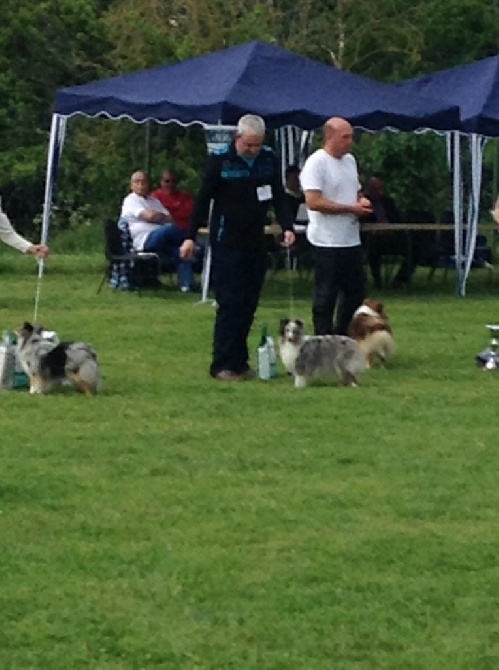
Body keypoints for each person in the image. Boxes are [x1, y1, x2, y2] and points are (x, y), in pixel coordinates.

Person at [180, 114, 295, 381]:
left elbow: (278, 194)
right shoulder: (220, 160)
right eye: (249, 145)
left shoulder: (268, 158)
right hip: (226, 240)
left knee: (249, 303)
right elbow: (203, 199)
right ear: (238, 138)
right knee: (230, 302)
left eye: (257, 145)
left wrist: (287, 226)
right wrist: (189, 236)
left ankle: (240, 362)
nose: (253, 151)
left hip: (256, 239)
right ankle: (222, 364)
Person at [299, 117, 372, 336]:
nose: (350, 142)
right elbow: (313, 201)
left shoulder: (350, 161)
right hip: (326, 240)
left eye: (351, 137)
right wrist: (351, 209)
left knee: (355, 292)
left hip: (350, 238)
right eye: (345, 137)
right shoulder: (316, 163)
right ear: (329, 137)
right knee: (326, 294)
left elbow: (354, 190)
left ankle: (344, 335)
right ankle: (323, 337)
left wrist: (361, 201)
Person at [120, 171, 194, 292]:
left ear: (148, 184)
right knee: (171, 230)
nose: (140, 185)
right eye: (137, 182)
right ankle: (191, 242)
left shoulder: (153, 201)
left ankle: (186, 286)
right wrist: (158, 217)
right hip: (144, 240)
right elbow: (149, 216)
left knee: (181, 250)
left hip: (162, 238)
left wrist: (157, 216)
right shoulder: (131, 200)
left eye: (143, 182)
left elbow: (170, 218)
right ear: (131, 185)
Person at [361, 174, 413, 290]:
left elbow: (397, 219)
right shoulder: (362, 203)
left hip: (391, 237)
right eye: (375, 189)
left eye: (380, 188)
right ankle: (377, 281)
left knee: (415, 247)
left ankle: (400, 279)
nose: (379, 192)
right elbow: (361, 221)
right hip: (370, 239)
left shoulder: (388, 202)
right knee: (373, 247)